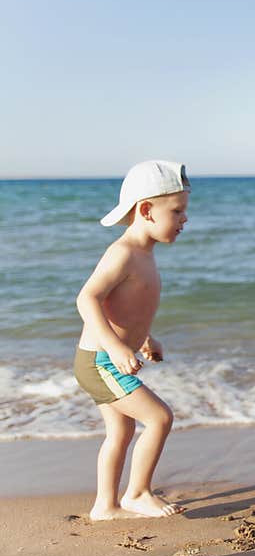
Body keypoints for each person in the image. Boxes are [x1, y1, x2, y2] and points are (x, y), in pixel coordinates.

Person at [74, 160, 190, 520]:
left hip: (102, 359)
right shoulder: (123, 253)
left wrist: (144, 339)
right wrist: (116, 347)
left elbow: (126, 310)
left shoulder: (144, 254)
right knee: (159, 418)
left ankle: (104, 506)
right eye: (177, 211)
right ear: (146, 210)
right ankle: (137, 494)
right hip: (100, 361)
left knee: (121, 431)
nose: (185, 219)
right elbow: (87, 299)